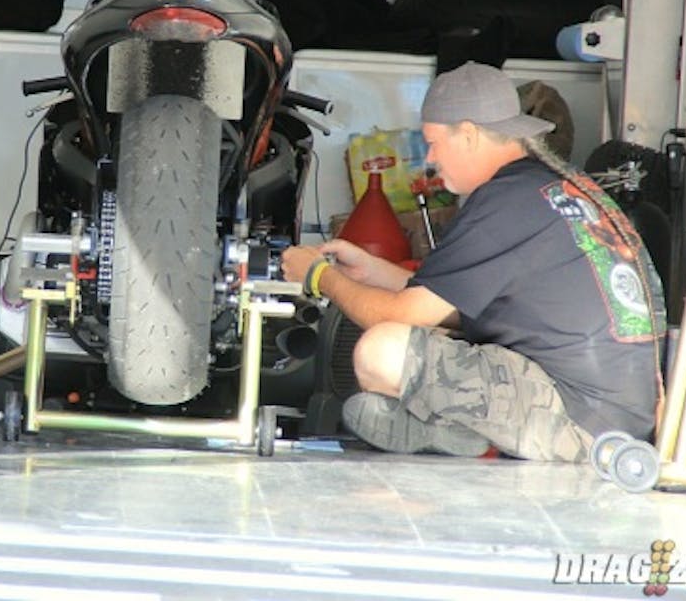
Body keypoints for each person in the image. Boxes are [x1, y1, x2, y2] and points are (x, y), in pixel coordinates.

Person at [281, 62, 666, 461]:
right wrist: (370, 271)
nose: (430, 158)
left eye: (432, 142)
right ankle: (449, 429)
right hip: (616, 414)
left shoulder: (506, 202)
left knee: (382, 351)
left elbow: (398, 316)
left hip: (581, 425)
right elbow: (451, 304)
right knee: (420, 342)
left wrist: (319, 277)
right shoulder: (548, 188)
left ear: (467, 134)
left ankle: (453, 428)